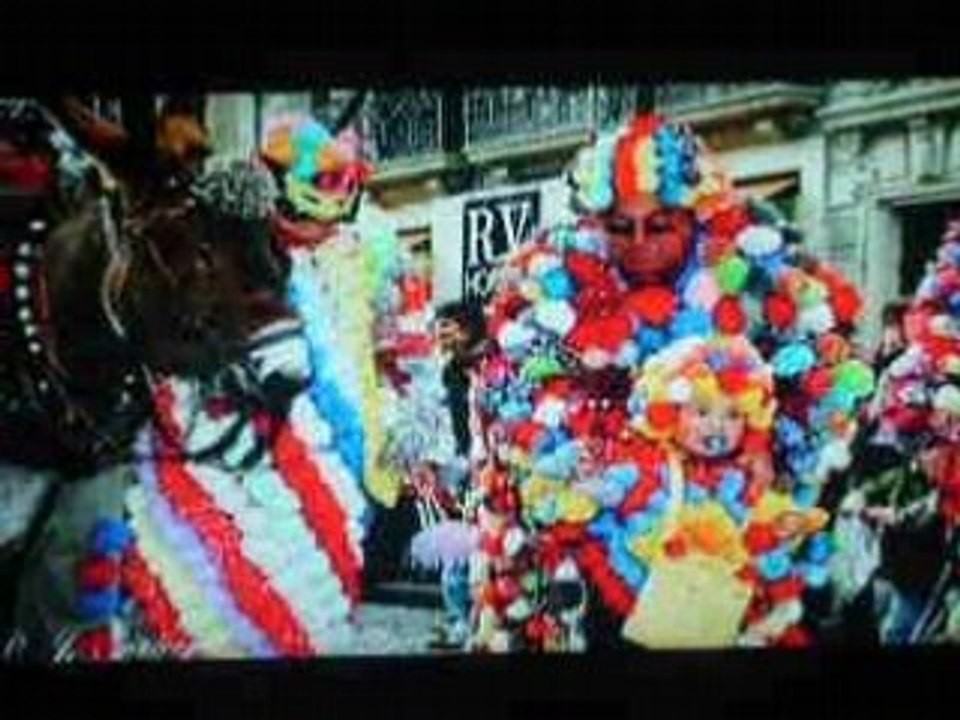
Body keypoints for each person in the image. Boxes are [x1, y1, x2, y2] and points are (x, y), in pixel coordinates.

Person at [470, 114, 874, 651]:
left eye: (659, 225)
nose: (640, 242)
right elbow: (517, 384)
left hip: (727, 546)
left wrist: (761, 441)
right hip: (604, 546)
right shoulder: (555, 276)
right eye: (621, 227)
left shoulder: (749, 265)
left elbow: (825, 370)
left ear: (691, 216)